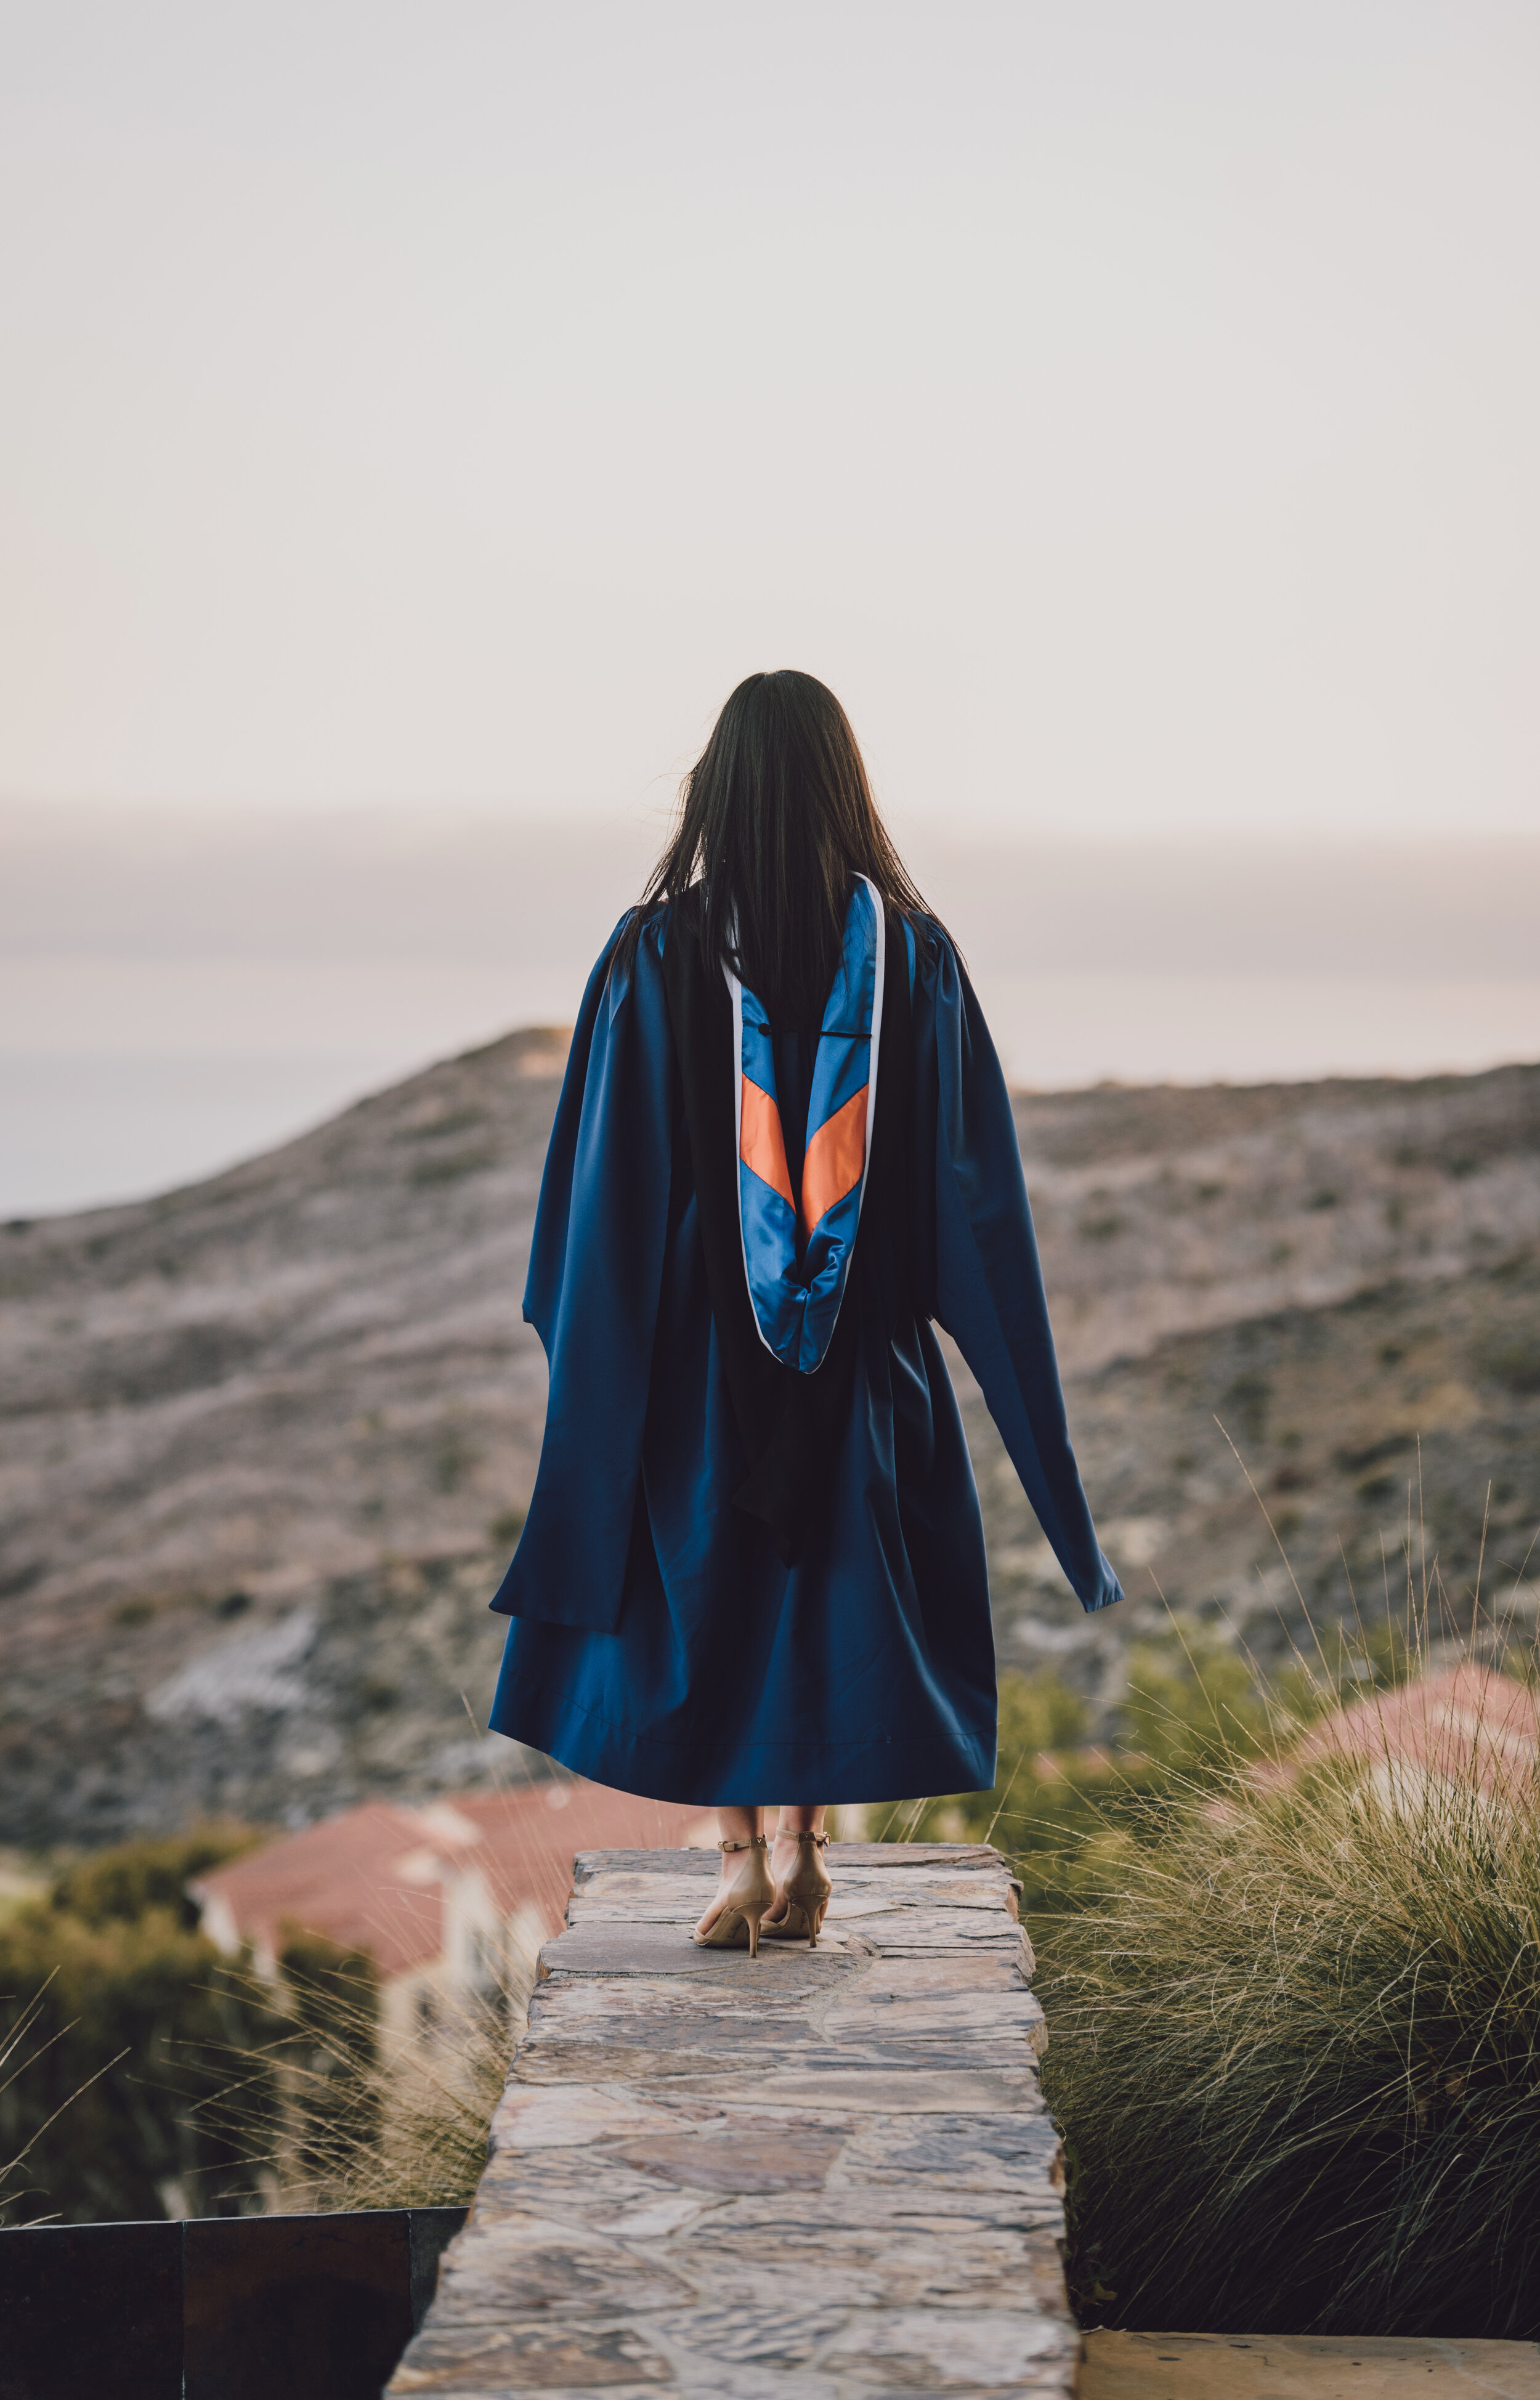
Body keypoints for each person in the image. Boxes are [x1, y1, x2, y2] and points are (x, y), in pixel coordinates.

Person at [488, 671, 1121, 1953]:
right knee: (822, 1595)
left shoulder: (649, 955)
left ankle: (734, 1864)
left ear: (712, 789)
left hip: (692, 1367)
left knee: (710, 1598)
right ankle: (798, 1849)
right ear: (847, 788)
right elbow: (975, 1203)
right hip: (860, 1360)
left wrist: (589, 1348)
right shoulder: (913, 959)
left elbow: (596, 1201)